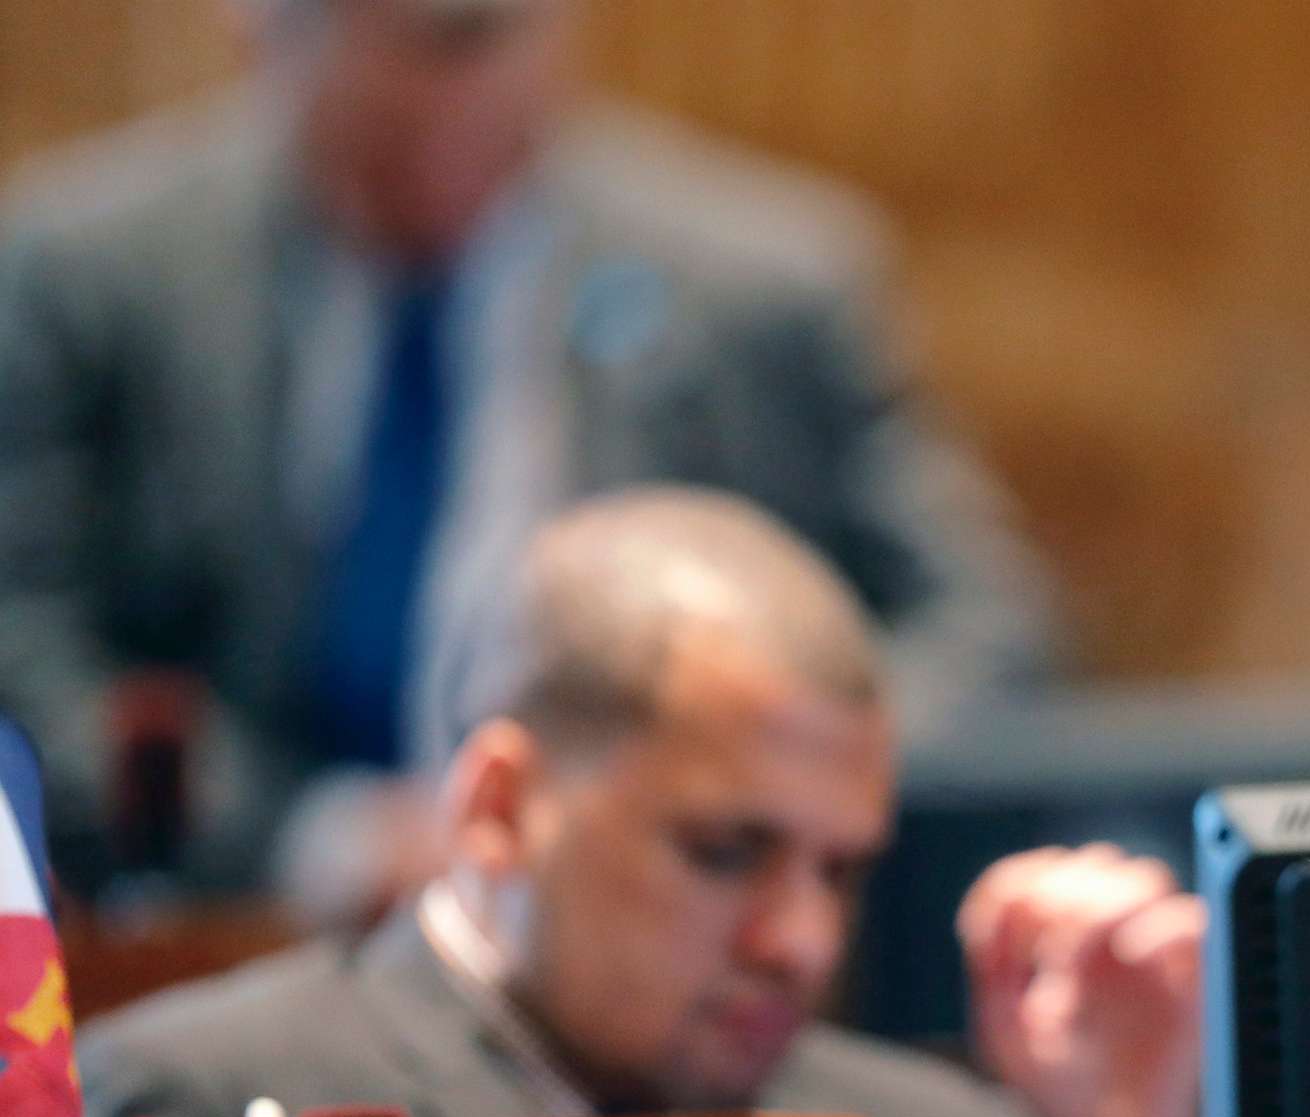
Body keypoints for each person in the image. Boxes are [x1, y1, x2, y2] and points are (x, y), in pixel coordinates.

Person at [75, 488, 1202, 1117]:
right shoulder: (190, 1114)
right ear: (502, 809)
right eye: (725, 852)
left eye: (839, 873)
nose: (801, 941)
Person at [0, 0, 1052, 898]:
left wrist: (748, 803)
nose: (432, 100)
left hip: (657, 944)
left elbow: (984, 630)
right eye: (387, 36)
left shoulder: (767, 291)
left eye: (473, 37)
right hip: (230, 935)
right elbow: (23, 640)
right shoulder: (89, 278)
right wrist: (312, 840)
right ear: (261, 31)